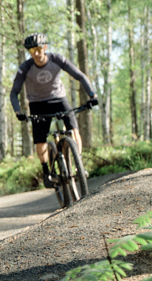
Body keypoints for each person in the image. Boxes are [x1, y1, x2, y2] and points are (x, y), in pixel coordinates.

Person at [9, 33, 99, 188]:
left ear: (45, 47)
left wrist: (92, 95)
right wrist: (18, 112)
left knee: (73, 129)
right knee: (40, 139)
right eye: (32, 51)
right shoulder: (25, 68)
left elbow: (80, 76)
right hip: (37, 104)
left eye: (38, 49)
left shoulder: (57, 60)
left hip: (58, 99)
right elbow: (14, 92)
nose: (36, 54)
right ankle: (46, 172)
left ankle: (78, 164)